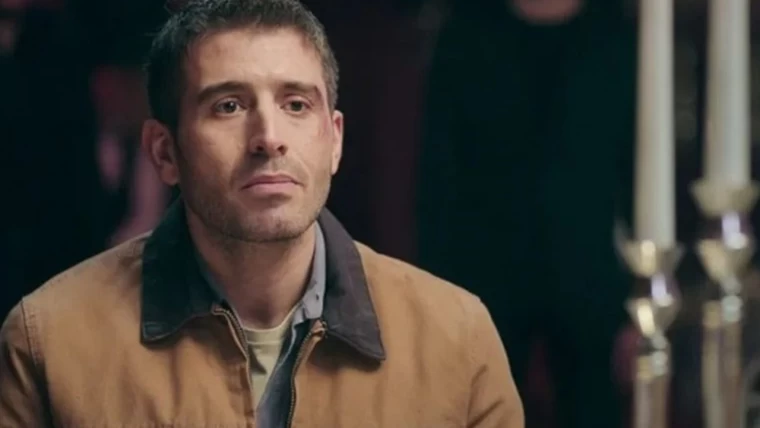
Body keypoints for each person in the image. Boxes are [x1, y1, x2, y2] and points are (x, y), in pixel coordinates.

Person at [0, 1, 524, 427]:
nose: (269, 138)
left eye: (296, 104)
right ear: (164, 152)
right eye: (228, 105)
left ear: (335, 141)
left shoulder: (457, 338)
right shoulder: (50, 342)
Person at [417, 0, 635, 426]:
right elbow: (437, 184)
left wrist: (639, 302)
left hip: (591, 279)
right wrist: (433, 304)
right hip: (481, 278)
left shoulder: (614, 35)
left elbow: (639, 173)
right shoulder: (466, 33)